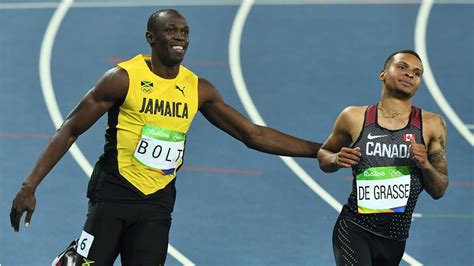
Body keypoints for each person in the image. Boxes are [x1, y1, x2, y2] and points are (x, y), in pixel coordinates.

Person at [9, 9, 321, 265]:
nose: (180, 38)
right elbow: (70, 129)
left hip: (156, 203)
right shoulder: (123, 79)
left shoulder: (198, 89)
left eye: (184, 32)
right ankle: (75, 257)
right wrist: (29, 186)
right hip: (113, 194)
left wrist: (320, 150)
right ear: (151, 38)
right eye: (171, 31)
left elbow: (253, 135)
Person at [317, 50, 449, 265]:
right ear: (382, 74)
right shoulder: (354, 116)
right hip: (354, 227)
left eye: (417, 73)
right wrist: (335, 159)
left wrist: (425, 165)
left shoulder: (433, 124)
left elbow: (439, 189)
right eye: (402, 67)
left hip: (395, 240)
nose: (409, 75)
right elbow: (323, 154)